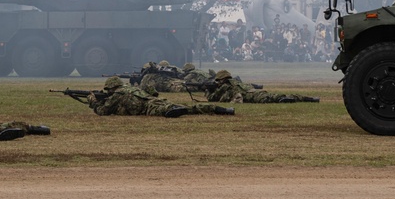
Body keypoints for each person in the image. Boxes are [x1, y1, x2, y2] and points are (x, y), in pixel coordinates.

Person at [88, 76, 235, 117]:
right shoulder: (130, 88)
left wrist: (93, 102)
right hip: (156, 100)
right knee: (191, 108)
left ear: (111, 87)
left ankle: (174, 111)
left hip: (149, 108)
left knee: (185, 110)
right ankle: (223, 110)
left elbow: (103, 111)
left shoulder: (118, 94)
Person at [206, 70, 319, 104]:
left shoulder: (225, 86)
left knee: (271, 98)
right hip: (254, 92)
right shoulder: (235, 82)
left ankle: (283, 100)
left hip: (251, 95)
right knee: (275, 96)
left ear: (221, 80)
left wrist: (207, 90)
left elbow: (212, 98)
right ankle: (308, 98)